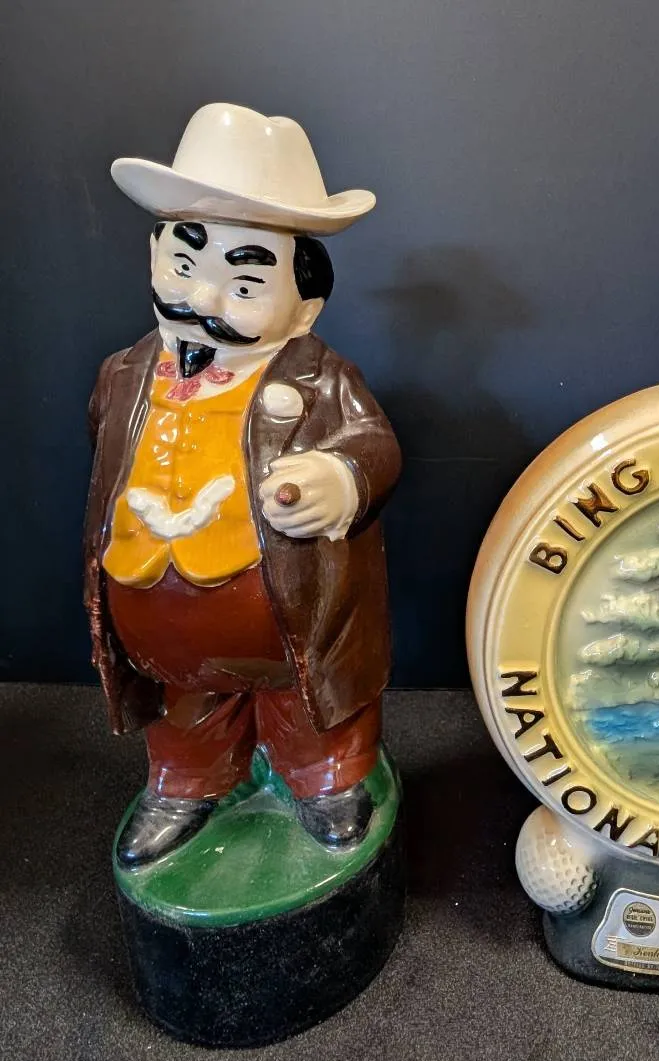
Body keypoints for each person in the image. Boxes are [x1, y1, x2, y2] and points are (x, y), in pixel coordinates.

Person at [84, 103, 401, 868]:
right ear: (154, 254)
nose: (202, 300)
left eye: (245, 282)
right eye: (183, 266)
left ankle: (323, 777)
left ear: (306, 305)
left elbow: (374, 443)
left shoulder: (318, 379)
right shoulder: (125, 374)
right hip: (156, 603)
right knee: (185, 706)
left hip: (286, 607)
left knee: (307, 703)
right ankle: (188, 780)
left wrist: (338, 476)